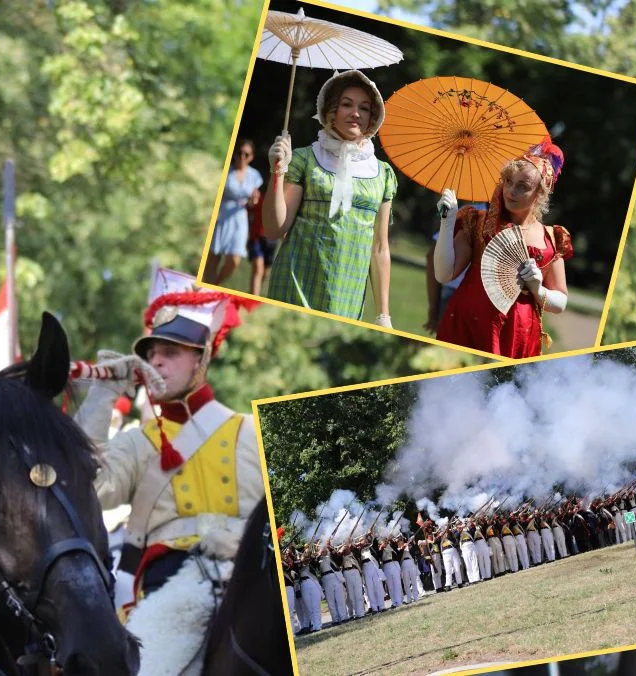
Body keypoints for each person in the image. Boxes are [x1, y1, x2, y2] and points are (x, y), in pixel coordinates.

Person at [73, 283, 263, 644]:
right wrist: (104, 392)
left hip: (249, 577)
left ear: (202, 357)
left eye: (171, 351)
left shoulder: (250, 432)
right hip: (171, 585)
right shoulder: (137, 442)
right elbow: (88, 488)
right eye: (152, 353)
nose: (156, 361)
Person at [262, 70, 396, 327]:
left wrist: (383, 315)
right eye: (346, 104)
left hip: (347, 297)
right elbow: (274, 228)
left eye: (364, 108)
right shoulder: (304, 159)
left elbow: (379, 248)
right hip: (295, 287)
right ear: (330, 111)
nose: (355, 113)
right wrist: (277, 171)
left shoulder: (383, 174)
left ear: (372, 118)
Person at [433, 137, 572, 357]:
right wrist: (447, 222)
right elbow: (444, 274)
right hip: (466, 326)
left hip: (517, 337)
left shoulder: (551, 238)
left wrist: (538, 289)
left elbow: (561, 302)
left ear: (540, 194)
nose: (510, 191)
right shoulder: (478, 222)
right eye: (508, 181)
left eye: (522, 186)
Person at [206, 140, 265, 286]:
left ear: (251, 157)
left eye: (246, 154)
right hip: (222, 214)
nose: (242, 157)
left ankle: (217, 283)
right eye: (239, 153)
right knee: (213, 255)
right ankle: (205, 285)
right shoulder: (227, 171)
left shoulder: (254, 176)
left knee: (234, 259)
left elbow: (254, 201)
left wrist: (254, 200)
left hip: (240, 217)